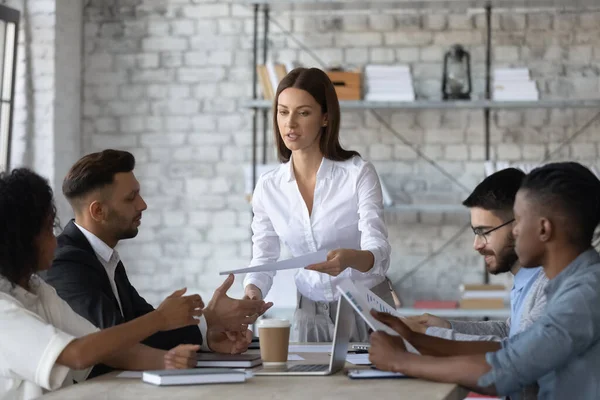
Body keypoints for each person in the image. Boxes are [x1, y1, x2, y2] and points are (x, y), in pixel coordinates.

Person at [368, 162, 600, 400]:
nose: (515, 231)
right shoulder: (571, 284)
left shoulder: (583, 295)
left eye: (518, 220)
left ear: (543, 229)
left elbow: (505, 369)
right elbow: (514, 347)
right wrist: (417, 338)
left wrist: (400, 361)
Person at [43, 150, 271, 377]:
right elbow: (113, 337)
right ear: (98, 211)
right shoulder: (67, 261)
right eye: (131, 198)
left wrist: (207, 338)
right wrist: (209, 317)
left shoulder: (106, 257)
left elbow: (147, 327)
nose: (142, 205)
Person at [0, 168, 202, 400]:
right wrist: (160, 319)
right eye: (47, 230)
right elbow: (78, 354)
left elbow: (104, 348)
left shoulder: (37, 290)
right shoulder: (3, 311)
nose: (55, 239)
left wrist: (166, 361)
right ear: (21, 240)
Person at [242, 67, 393, 342]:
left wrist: (350, 259)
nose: (290, 124)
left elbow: (379, 252)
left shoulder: (358, 174)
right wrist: (253, 292)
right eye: (283, 111)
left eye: (303, 113)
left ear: (325, 117)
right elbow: (264, 257)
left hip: (366, 308)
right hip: (309, 314)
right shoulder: (269, 187)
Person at [407, 168, 547, 346]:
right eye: (475, 232)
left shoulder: (549, 285)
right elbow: (509, 332)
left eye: (484, 232)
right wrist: (446, 326)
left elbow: (518, 350)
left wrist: (429, 335)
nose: (477, 245)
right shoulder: (526, 280)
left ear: (519, 225)